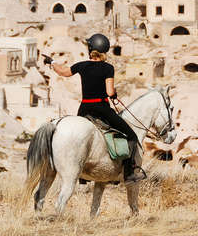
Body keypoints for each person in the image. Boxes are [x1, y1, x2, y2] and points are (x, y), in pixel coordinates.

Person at [43, 33, 146, 183]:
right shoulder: (108, 68)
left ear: (90, 49)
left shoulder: (82, 65)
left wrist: (52, 62)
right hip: (101, 108)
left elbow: (63, 72)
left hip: (84, 108)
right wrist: (114, 94)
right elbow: (110, 92)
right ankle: (129, 173)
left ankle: (82, 177)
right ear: (104, 51)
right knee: (131, 136)